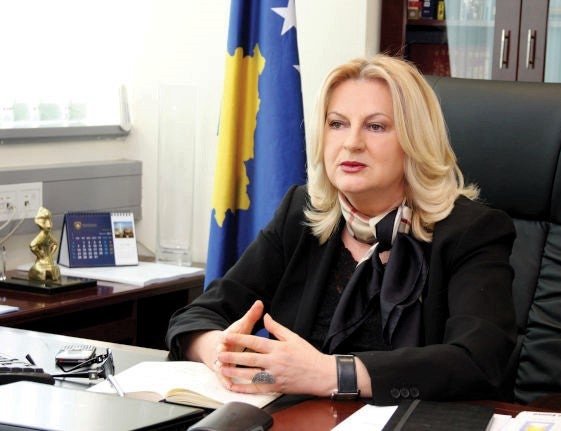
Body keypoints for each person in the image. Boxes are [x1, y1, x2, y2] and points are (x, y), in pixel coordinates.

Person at [166, 54, 516, 404]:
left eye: (375, 126)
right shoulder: (301, 214)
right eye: (337, 124)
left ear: (415, 141)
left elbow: (478, 361)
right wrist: (222, 353)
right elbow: (197, 316)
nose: (351, 143)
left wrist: (329, 373)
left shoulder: (471, 231)